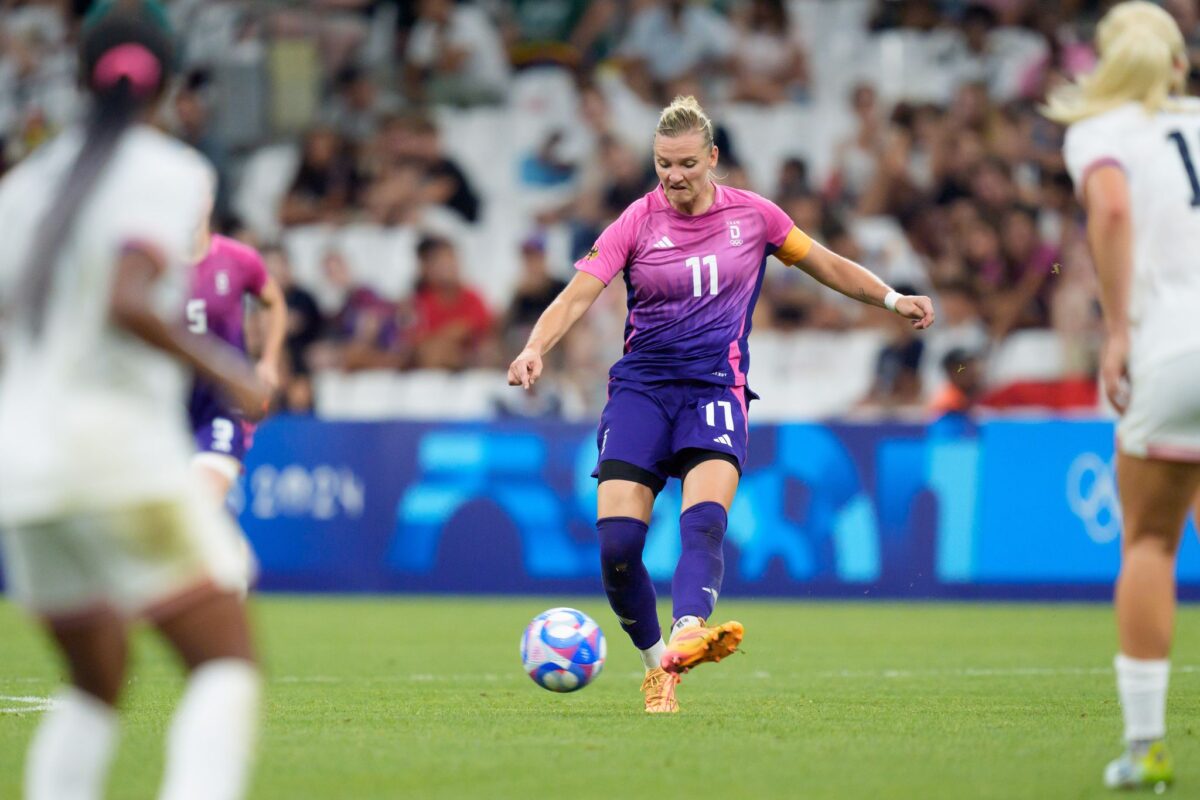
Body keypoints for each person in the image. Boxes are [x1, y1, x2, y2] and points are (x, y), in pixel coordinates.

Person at [507, 95, 934, 713]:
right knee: (619, 550)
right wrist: (534, 348)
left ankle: (687, 629)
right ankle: (659, 665)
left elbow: (828, 267)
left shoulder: (755, 217)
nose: (673, 177)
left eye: (685, 163)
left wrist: (893, 300)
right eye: (662, 165)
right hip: (642, 392)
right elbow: (577, 295)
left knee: (703, 521)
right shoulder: (635, 221)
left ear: (712, 158)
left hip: (714, 388)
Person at [0, 4, 270, 799]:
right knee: (224, 660)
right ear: (169, 85)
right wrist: (230, 370)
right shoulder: (169, 171)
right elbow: (128, 295)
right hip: (110, 450)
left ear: (80, 77)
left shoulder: (22, 185)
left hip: (22, 462)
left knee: (95, 678)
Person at [1047, 1, 1200, 790]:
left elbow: (1110, 206)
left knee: (1150, 542)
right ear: (1178, 62)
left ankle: (1145, 748)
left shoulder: (1100, 133)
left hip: (1172, 345)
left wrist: (1116, 330)